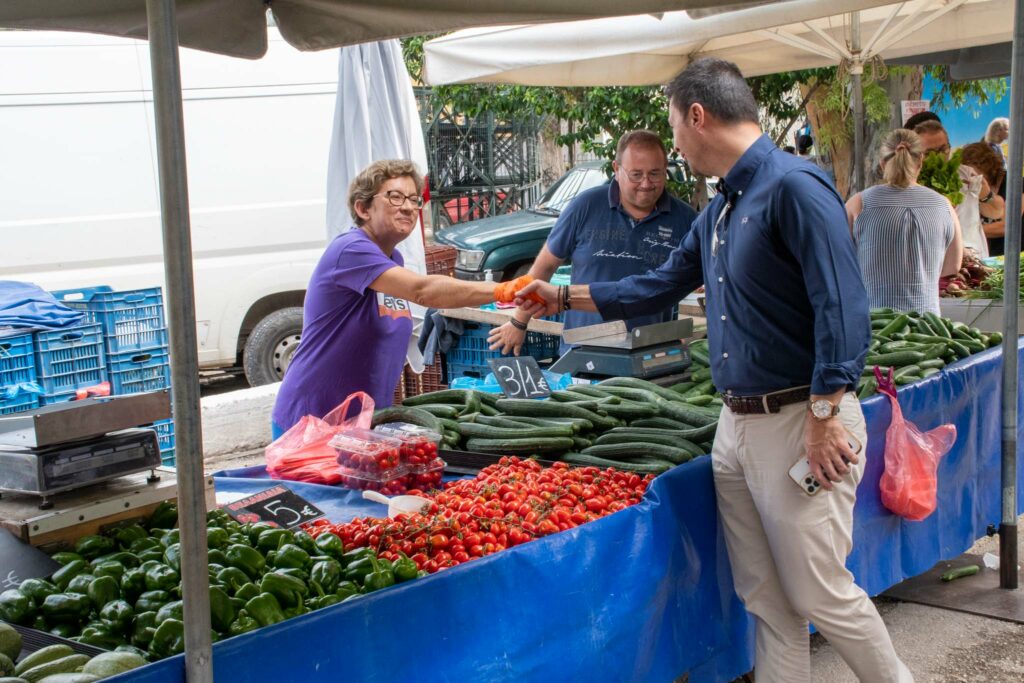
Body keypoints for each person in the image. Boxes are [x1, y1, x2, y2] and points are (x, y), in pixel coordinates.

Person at [517, 57, 913, 682]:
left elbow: (843, 307)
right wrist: (560, 296)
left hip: (799, 424)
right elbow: (660, 282)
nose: (673, 145)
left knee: (819, 595)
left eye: (673, 127)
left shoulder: (794, 187)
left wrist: (824, 415)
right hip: (736, 428)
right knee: (765, 599)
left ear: (696, 116)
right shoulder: (722, 206)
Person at [271, 159, 505, 439]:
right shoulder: (351, 250)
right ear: (362, 208)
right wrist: (502, 289)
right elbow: (423, 290)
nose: (408, 207)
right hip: (312, 421)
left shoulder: (393, 259)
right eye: (395, 196)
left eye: (413, 199)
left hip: (361, 425)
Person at [487, 130, 697, 356]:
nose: (646, 183)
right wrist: (519, 321)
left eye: (655, 173)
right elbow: (544, 267)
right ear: (617, 169)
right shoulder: (586, 206)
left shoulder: (685, 220)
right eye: (636, 174)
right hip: (583, 350)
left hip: (652, 353)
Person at [845, 129, 963, 315]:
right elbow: (952, 266)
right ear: (920, 162)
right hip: (929, 329)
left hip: (875, 325)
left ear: (883, 163)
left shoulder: (858, 204)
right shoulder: (944, 205)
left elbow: (842, 265)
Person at [915, 120, 1004, 258]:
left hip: (973, 263)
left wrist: (986, 195)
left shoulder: (967, 174)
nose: (939, 156)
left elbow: (997, 212)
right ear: (916, 154)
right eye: (930, 152)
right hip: (932, 263)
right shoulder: (911, 184)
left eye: (943, 149)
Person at [960, 141, 1013, 256]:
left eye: (974, 175)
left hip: (1008, 255)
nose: (971, 178)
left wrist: (968, 232)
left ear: (989, 170)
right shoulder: (966, 186)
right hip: (981, 255)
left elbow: (1008, 226)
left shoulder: (1014, 184)